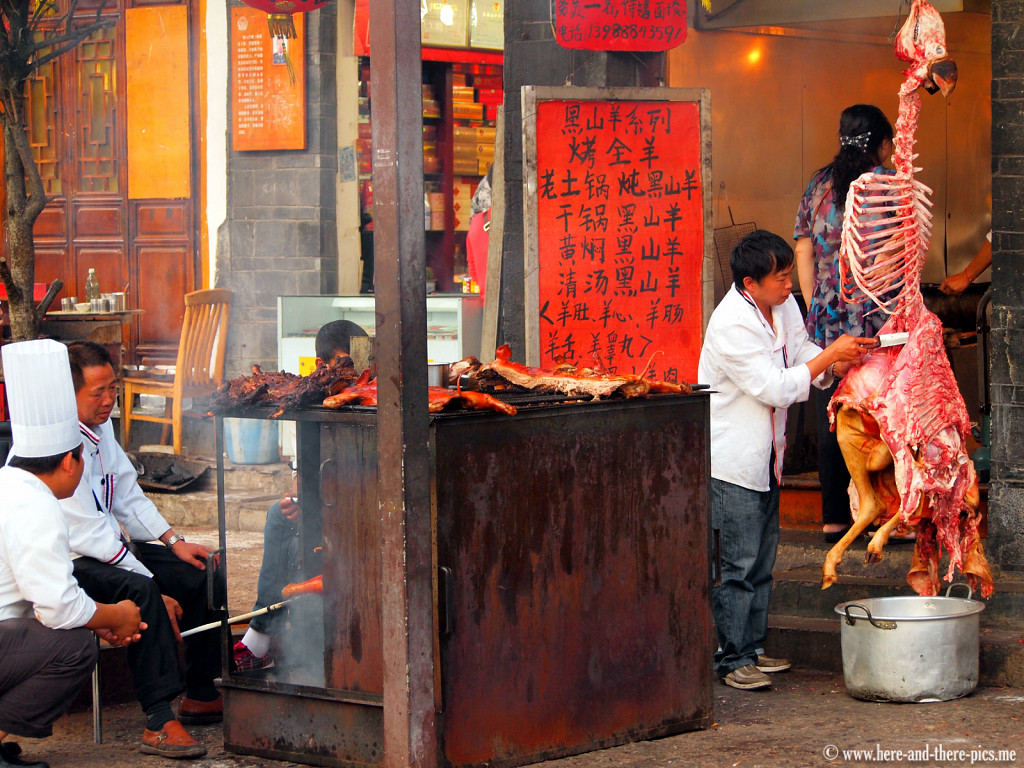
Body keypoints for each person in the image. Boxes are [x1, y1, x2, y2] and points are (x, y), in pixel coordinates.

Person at [698, 230, 873, 691]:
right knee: (734, 565)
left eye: (788, 273)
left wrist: (836, 363)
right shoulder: (731, 322)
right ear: (750, 283)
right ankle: (731, 658)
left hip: (770, 457)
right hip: (734, 459)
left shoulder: (784, 306)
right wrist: (829, 357)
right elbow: (774, 387)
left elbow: (801, 354)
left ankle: (753, 648)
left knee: (761, 562)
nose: (788, 283)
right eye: (780, 277)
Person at [61, 341, 222, 759]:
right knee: (145, 594)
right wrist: (150, 581)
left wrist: (174, 541)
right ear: (68, 393)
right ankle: (158, 720)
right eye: (97, 392)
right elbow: (87, 531)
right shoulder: (60, 445)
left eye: (112, 389)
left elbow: (126, 495)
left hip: (112, 548)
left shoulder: (102, 429)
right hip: (74, 560)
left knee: (203, 570)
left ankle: (201, 692)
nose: (109, 400)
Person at [0, 339, 145, 768]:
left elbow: (43, 599)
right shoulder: (38, 501)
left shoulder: (9, 482)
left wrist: (95, 616)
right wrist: (113, 616)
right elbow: (60, 607)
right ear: (69, 462)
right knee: (74, 647)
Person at [233, 320, 368, 672]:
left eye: (350, 363)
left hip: (358, 509)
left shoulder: (367, 395)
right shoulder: (317, 395)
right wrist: (298, 493)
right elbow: (307, 466)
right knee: (279, 516)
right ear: (322, 367)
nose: (346, 371)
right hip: (326, 500)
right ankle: (264, 636)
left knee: (297, 536)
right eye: (337, 365)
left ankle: (263, 638)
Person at [793, 104, 895, 543]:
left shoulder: (819, 185)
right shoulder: (890, 187)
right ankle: (891, 516)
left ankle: (835, 517)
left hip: (828, 323)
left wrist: (816, 300)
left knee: (834, 417)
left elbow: (802, 249)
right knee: (884, 417)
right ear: (883, 144)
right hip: (879, 321)